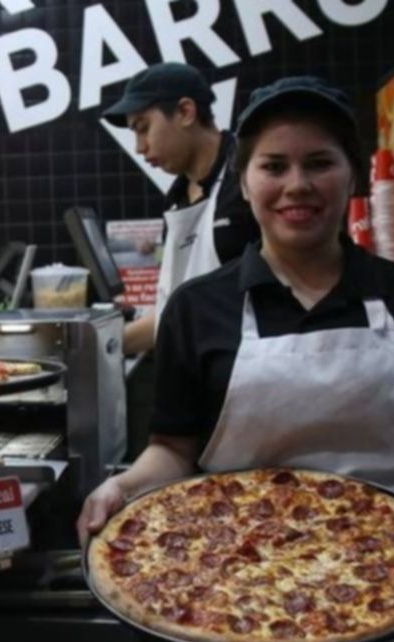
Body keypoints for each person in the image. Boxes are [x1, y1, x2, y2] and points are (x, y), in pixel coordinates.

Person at [77, 77, 394, 642]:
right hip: (226, 592)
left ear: (353, 175)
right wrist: (123, 488)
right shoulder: (196, 308)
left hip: (389, 585)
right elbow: (174, 451)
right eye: (274, 166)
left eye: (320, 163)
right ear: (244, 182)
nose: (297, 185)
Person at [102, 62, 261, 459]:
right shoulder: (178, 196)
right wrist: (96, 344)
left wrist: (103, 346)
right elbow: (177, 312)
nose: (139, 148)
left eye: (143, 127)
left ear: (186, 112)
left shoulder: (250, 175)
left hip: (247, 393)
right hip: (190, 396)